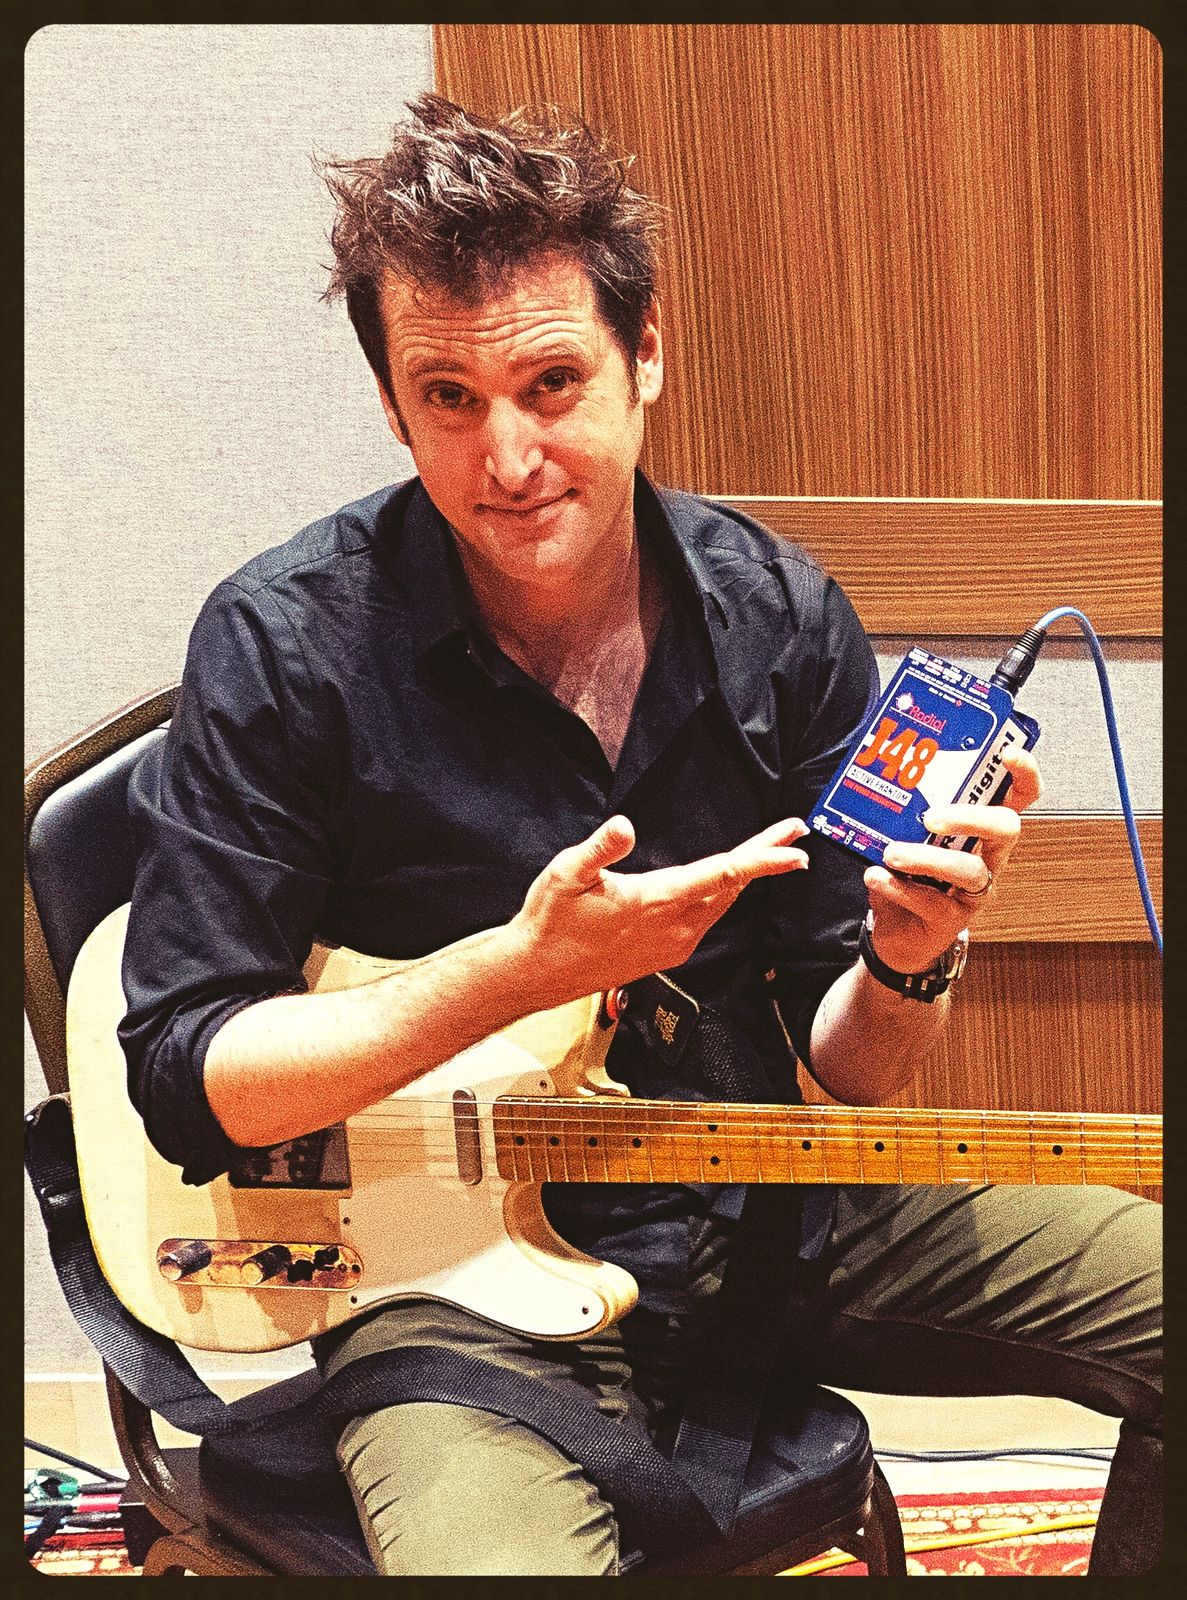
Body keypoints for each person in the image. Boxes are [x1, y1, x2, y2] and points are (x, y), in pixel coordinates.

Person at [118, 94, 1160, 1576]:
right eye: (448, 398)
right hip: (446, 1292)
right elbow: (188, 1079)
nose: (509, 456)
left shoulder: (780, 616)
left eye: (553, 382)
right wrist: (518, 972)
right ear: (393, 404)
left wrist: (909, 959)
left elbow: (852, 1071)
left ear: (645, 354)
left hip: (762, 1200)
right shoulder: (286, 645)